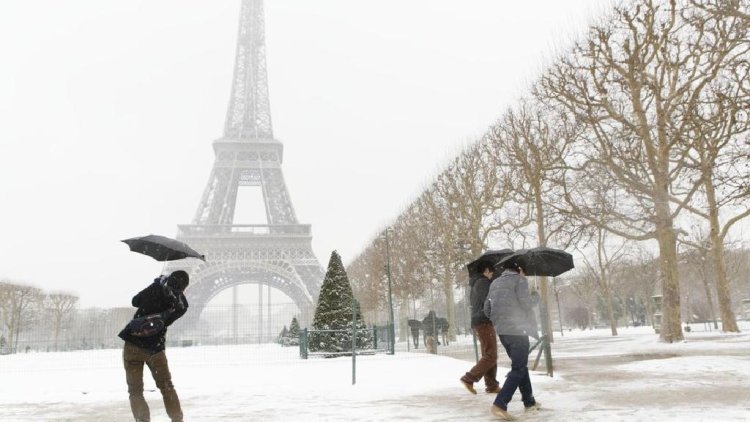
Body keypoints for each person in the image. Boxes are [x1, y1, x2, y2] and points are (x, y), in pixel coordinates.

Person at [118, 270, 190, 422]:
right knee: (166, 387)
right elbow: (170, 316)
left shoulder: (156, 288)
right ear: (184, 287)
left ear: (169, 278)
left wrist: (155, 284)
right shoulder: (181, 305)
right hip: (155, 349)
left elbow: (135, 301)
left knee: (135, 391)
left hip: (132, 344)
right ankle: (177, 419)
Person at [484, 261, 541, 420]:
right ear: (520, 269)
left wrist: (499, 321)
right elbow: (527, 304)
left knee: (520, 366)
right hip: (518, 331)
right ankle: (500, 404)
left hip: (503, 332)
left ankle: (529, 402)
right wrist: (536, 295)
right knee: (518, 368)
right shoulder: (519, 281)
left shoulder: (494, 283)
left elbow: (486, 309)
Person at [460, 261, 500, 394]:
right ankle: (469, 378)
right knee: (491, 354)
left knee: (488, 353)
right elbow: (489, 301)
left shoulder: (477, 283)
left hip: (481, 320)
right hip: (483, 321)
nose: (492, 275)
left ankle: (492, 385)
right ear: (487, 270)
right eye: (492, 272)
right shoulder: (483, 283)